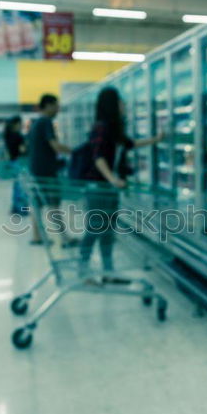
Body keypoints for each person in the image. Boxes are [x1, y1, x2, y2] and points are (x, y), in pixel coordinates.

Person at [79, 86, 163, 277]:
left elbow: (130, 144)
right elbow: (98, 156)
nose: (124, 104)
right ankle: (82, 270)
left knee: (108, 231)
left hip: (108, 189)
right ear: (112, 104)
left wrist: (156, 139)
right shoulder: (101, 127)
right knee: (94, 229)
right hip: (98, 187)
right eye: (120, 101)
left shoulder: (114, 129)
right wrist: (112, 178)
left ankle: (109, 271)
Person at [28, 94, 72, 245]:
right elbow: (55, 146)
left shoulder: (36, 123)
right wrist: (76, 152)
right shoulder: (46, 122)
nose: (58, 109)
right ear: (47, 105)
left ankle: (36, 236)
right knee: (53, 204)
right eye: (56, 105)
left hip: (36, 169)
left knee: (37, 204)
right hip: (46, 171)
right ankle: (65, 239)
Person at [4, 116, 28, 214]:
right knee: (23, 187)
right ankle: (23, 210)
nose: (21, 125)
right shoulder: (18, 136)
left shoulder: (7, 135)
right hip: (20, 162)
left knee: (17, 186)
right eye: (19, 123)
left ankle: (15, 208)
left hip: (13, 162)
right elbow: (23, 150)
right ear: (15, 124)